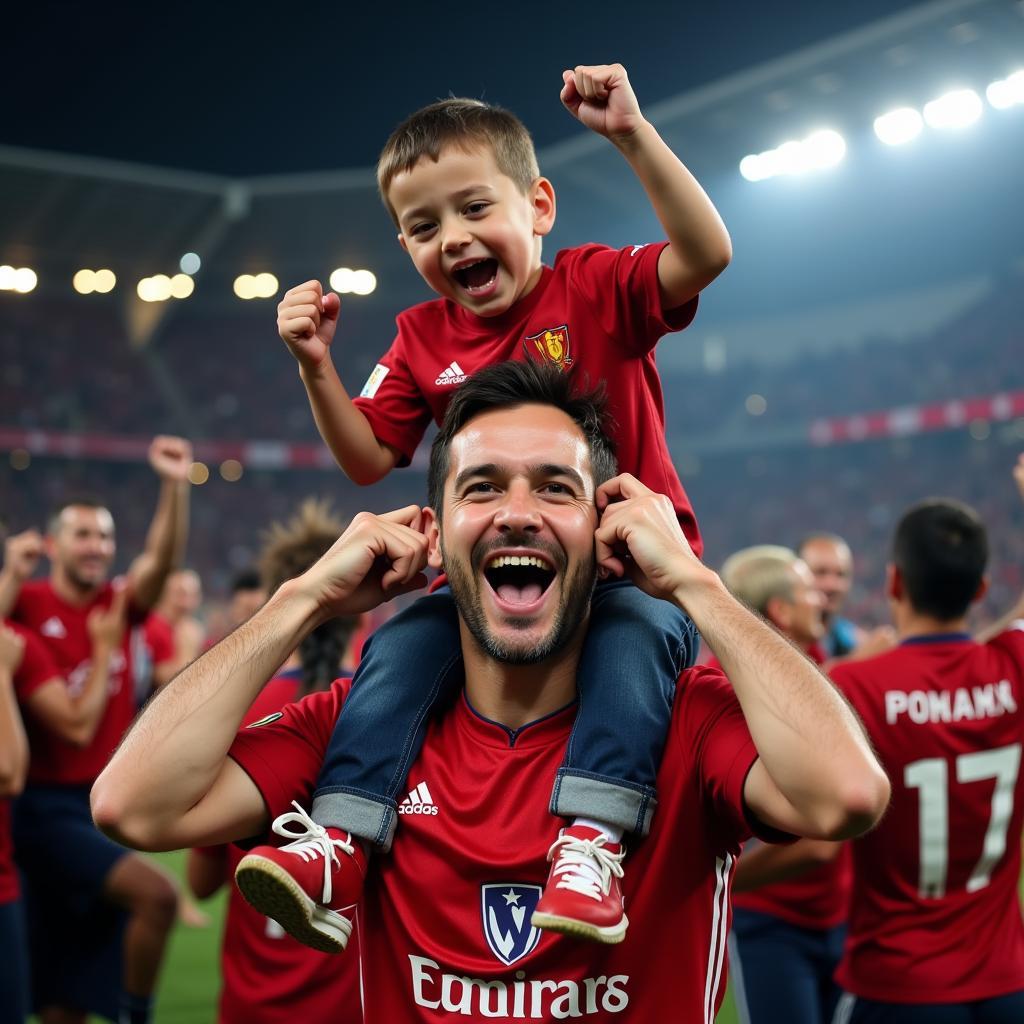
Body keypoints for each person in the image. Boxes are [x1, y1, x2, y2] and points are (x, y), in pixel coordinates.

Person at [92, 361, 889, 1023]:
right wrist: (300, 599)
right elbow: (134, 807)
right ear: (433, 535)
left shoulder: (682, 720)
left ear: (607, 530)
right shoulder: (365, 730)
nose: (516, 514)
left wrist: (695, 585)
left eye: (554, 488)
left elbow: (846, 796)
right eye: (480, 488)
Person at [268, 62, 733, 947]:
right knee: (399, 646)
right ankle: (339, 839)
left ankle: (591, 842)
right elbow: (369, 458)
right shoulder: (418, 335)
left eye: (475, 208)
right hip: (497, 580)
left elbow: (706, 254)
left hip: (631, 571)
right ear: (405, 248)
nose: (454, 237)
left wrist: (631, 134)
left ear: (539, 208)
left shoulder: (593, 287)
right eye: (423, 225)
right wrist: (316, 369)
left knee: (632, 648)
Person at [3, 436, 193, 1024]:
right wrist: (10, 574)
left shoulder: (118, 603)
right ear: (55, 543)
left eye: (106, 537)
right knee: (156, 896)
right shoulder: (28, 607)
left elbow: (159, 562)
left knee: (68, 999)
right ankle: (136, 1015)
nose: (97, 548)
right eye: (84, 535)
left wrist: (174, 484)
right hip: (44, 807)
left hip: (99, 806)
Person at [829, 456, 1024, 1024]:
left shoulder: (854, 686)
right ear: (982, 586)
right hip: (1008, 986)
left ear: (893, 581)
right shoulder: (1013, 665)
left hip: (896, 988)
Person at [186, 500, 363, 1024]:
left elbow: (201, 881)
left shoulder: (238, 713)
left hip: (253, 1000)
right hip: (348, 1002)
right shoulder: (385, 710)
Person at [717, 545, 850, 1024]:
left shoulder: (818, 663)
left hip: (837, 917)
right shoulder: (722, 691)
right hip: (771, 923)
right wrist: (727, 889)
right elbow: (819, 846)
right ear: (780, 611)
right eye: (807, 589)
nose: (821, 598)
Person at [798, 533, 893, 662]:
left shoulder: (854, 640)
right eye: (820, 572)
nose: (832, 584)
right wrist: (857, 661)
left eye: (841, 574)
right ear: (796, 576)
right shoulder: (777, 637)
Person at [144, 568, 205, 689]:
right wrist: (188, 651)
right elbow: (166, 681)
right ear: (164, 594)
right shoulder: (153, 626)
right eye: (180, 594)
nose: (186, 602)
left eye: (193, 595)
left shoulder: (190, 628)